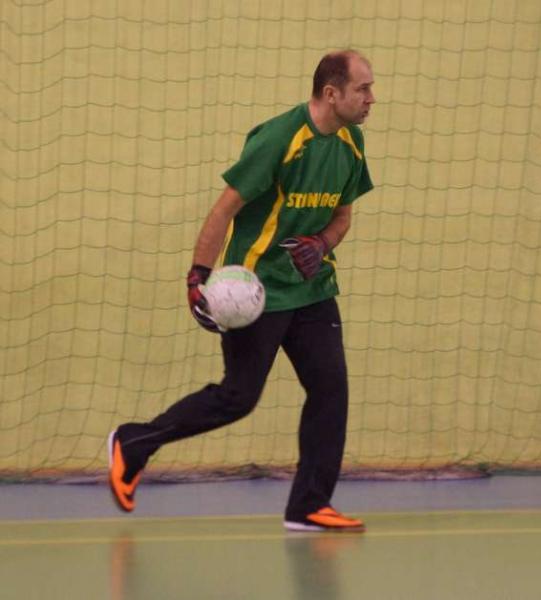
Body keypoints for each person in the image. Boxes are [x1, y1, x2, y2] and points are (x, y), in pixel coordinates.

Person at [108, 49, 375, 532]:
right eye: (363, 88)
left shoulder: (351, 142)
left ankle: (309, 506)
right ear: (331, 93)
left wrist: (322, 243)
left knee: (331, 390)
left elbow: (343, 215)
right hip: (258, 291)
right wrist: (198, 276)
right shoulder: (279, 139)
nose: (371, 98)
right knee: (238, 396)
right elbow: (224, 208)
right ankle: (132, 443)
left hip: (313, 290)